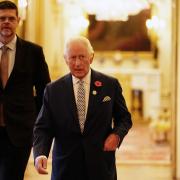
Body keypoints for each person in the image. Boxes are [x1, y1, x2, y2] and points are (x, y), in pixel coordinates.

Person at [33, 36, 132, 180]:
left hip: (100, 166)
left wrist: (116, 135)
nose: (77, 63)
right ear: (66, 59)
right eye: (72, 58)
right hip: (65, 167)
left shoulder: (110, 85)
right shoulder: (53, 90)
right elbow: (43, 126)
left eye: (82, 57)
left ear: (91, 58)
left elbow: (124, 118)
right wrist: (40, 153)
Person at [0, 1, 51, 180]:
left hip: (20, 131)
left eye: (10, 18)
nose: (6, 22)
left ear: (18, 20)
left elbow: (45, 90)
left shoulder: (33, 52)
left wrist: (33, 119)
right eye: (2, 18)